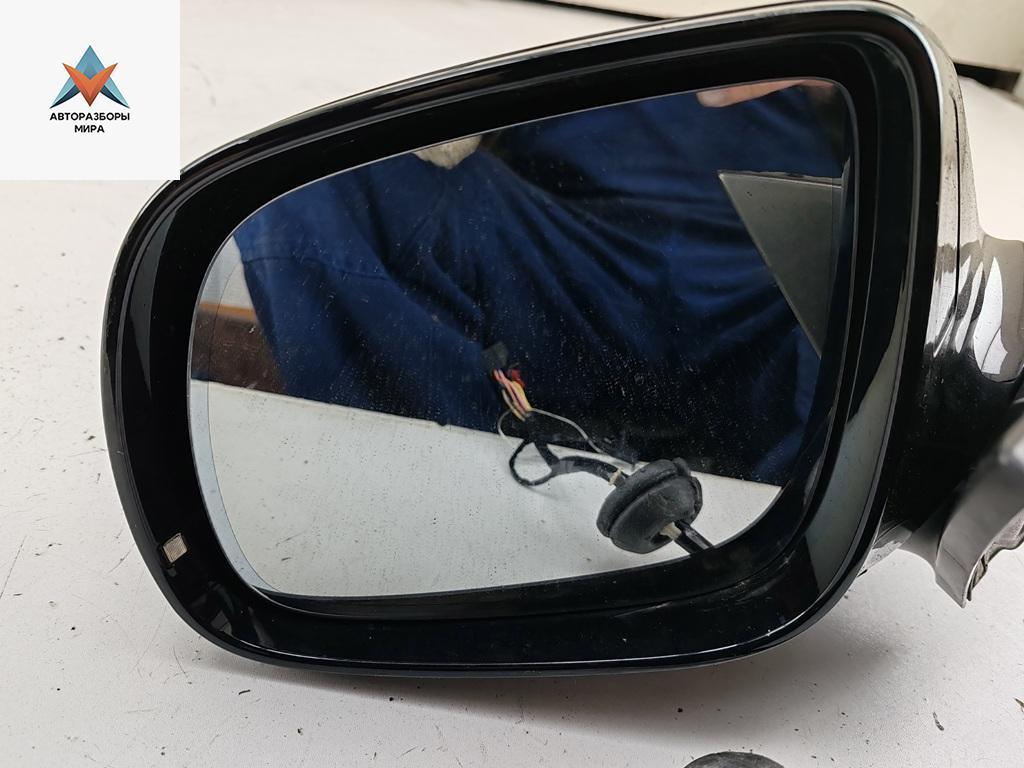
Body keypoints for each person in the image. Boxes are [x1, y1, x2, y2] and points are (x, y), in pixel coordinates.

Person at [232, 84, 847, 485]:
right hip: (571, 255)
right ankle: (451, 507)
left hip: (769, 277)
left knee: (865, 288)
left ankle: (769, 562)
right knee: (300, 183)